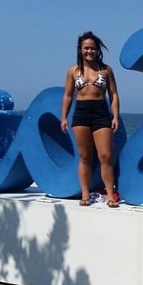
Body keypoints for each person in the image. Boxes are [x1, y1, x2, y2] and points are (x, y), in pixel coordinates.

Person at [61, 31, 120, 207]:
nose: (89, 51)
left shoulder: (106, 70)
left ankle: (110, 195)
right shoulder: (73, 71)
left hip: (101, 112)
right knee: (85, 156)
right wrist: (63, 117)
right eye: (86, 48)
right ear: (80, 49)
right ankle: (85, 194)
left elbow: (114, 95)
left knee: (105, 155)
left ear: (98, 50)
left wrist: (115, 115)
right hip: (81, 113)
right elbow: (68, 95)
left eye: (93, 48)